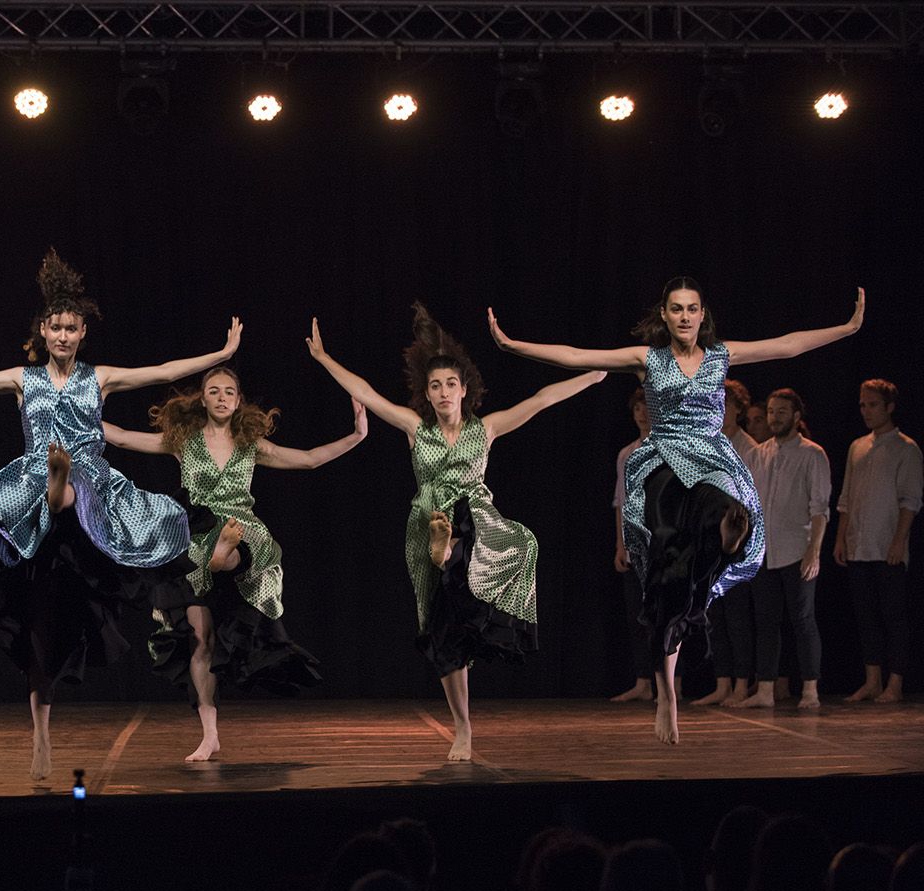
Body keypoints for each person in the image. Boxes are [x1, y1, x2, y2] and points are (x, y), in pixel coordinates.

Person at [0, 250, 239, 779]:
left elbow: (161, 371)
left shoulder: (102, 377)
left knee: (135, 518)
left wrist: (219, 352)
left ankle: (62, 485)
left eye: (72, 328)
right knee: (40, 631)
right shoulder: (23, 379)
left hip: (89, 482)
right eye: (56, 328)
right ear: (42, 332)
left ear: (82, 333)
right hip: (34, 491)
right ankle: (41, 739)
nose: (65, 336)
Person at [488, 279, 863, 742]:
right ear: (664, 315)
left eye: (692, 309)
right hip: (664, 463)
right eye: (676, 309)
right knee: (669, 585)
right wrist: (511, 344)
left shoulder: (722, 355)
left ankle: (723, 533)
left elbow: (787, 346)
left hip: (711, 460)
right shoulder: (648, 359)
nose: (685, 317)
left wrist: (846, 329)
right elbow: (576, 354)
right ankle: (667, 693)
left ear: (702, 315)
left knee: (725, 506)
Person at [307, 304, 604, 761]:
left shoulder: (485, 429)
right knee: (442, 628)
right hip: (426, 522)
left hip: (476, 522)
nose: (443, 392)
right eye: (435, 386)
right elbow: (366, 391)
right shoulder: (414, 428)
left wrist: (593, 373)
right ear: (426, 394)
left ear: (465, 390)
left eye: (450, 384)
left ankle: (451, 554)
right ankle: (462, 725)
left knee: (523, 542)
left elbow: (542, 399)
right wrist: (325, 360)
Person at [101, 367, 365, 761]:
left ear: (238, 400)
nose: (222, 397)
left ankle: (225, 557)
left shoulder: (250, 443)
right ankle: (210, 734)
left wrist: (357, 435)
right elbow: (121, 437)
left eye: (229, 391)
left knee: (239, 544)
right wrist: (81, 411)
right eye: (213, 391)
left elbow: (308, 459)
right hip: (195, 535)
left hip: (240, 530)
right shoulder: (183, 441)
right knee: (200, 639)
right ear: (202, 399)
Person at [734, 388, 829, 709]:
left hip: (797, 550)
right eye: (771, 411)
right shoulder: (758, 454)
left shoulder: (812, 454)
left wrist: (814, 551)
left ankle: (810, 690)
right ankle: (764, 690)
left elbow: (820, 509)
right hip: (763, 552)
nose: (774, 418)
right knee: (766, 622)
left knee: (802, 620)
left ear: (796, 417)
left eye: (781, 412)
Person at [834, 378, 921, 703]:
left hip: (888, 548)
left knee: (893, 617)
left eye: (872, 405)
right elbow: (846, 497)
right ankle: (872, 680)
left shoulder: (906, 448)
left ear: (889, 407)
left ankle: (894, 684)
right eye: (862, 405)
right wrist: (841, 538)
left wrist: (899, 542)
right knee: (866, 616)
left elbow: (910, 500)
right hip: (859, 545)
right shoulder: (858, 446)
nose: (866, 411)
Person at [693, 379, 758, 706]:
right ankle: (722, 683)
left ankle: (741, 685)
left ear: (737, 409)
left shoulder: (748, 447)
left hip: (737, 540)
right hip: (710, 539)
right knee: (714, 615)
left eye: (724, 404)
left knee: (737, 616)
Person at [612, 387, 656, 702]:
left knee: (665, 615)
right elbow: (621, 502)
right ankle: (643, 681)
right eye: (637, 407)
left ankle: (673, 682)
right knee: (637, 615)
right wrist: (620, 545)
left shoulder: (669, 448)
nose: (642, 413)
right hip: (634, 543)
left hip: (663, 543)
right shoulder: (627, 453)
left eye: (647, 406)